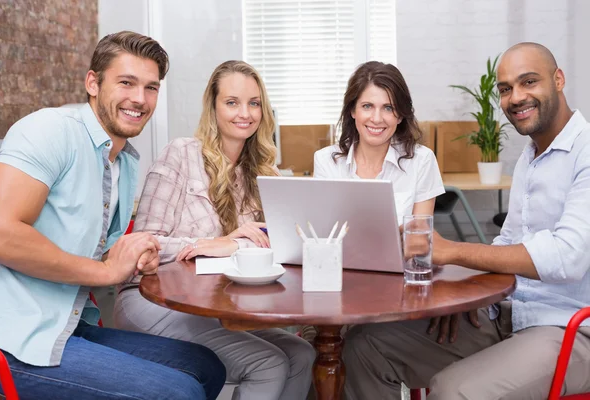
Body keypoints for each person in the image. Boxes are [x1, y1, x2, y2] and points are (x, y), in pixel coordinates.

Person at [343, 43, 590, 400]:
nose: (516, 97)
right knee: (363, 348)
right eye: (505, 89)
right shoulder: (531, 156)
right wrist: (470, 296)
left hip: (567, 327)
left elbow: (567, 258)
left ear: (558, 79)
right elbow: (507, 242)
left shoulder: (585, 152)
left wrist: (452, 251)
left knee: (452, 391)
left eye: (529, 82)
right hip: (506, 315)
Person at [0, 31, 226, 400]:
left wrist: (133, 256)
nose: (139, 99)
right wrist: (105, 270)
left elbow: (101, 252)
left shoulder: (125, 160)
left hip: (69, 325)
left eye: (151, 87)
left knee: (206, 367)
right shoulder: (48, 130)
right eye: (126, 82)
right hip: (9, 337)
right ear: (93, 83)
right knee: (178, 392)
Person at [114, 60, 316, 400]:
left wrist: (246, 246)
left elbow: (280, 247)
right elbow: (141, 246)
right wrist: (215, 243)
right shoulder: (180, 154)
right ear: (214, 107)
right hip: (152, 300)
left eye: (254, 103)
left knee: (303, 355)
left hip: (215, 306)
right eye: (232, 102)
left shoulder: (265, 174)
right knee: (267, 364)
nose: (246, 113)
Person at [314, 61, 444, 225]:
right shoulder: (326, 161)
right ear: (353, 110)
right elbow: (321, 232)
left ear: (400, 115)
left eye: (388, 108)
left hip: (400, 252)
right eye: (367, 106)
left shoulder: (421, 160)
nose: (376, 119)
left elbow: (419, 240)